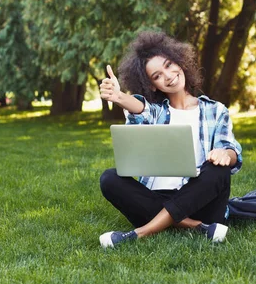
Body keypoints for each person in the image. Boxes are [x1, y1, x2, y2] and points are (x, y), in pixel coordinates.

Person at [98, 31, 242, 248]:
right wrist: (119, 97)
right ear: (153, 85)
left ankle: (142, 232)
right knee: (109, 178)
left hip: (200, 200)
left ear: (180, 62)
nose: (167, 75)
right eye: (156, 76)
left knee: (218, 169)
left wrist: (225, 154)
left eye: (168, 65)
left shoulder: (216, 110)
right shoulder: (157, 113)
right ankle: (198, 228)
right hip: (157, 198)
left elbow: (231, 150)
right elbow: (142, 110)